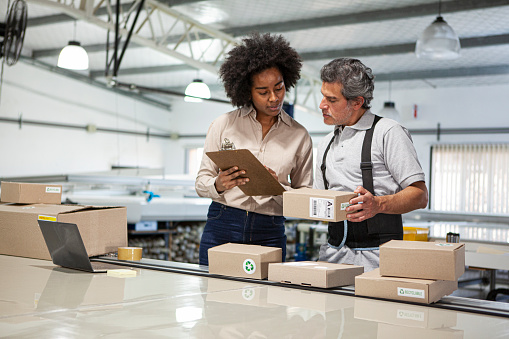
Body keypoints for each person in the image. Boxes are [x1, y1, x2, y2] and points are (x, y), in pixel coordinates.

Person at [195, 32, 313, 266]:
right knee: (214, 295)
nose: (273, 98)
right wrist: (219, 183)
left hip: (269, 230)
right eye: (263, 92)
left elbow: (305, 198)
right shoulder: (223, 125)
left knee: (266, 300)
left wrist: (277, 188)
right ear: (247, 91)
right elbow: (201, 181)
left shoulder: (299, 136)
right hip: (223, 222)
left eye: (278, 88)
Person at [314, 58, 428, 272]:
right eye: (323, 96)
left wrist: (378, 204)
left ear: (357, 102)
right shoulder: (325, 143)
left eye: (331, 99)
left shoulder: (388, 132)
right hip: (332, 255)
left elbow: (420, 195)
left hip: (379, 259)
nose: (322, 105)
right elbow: (320, 201)